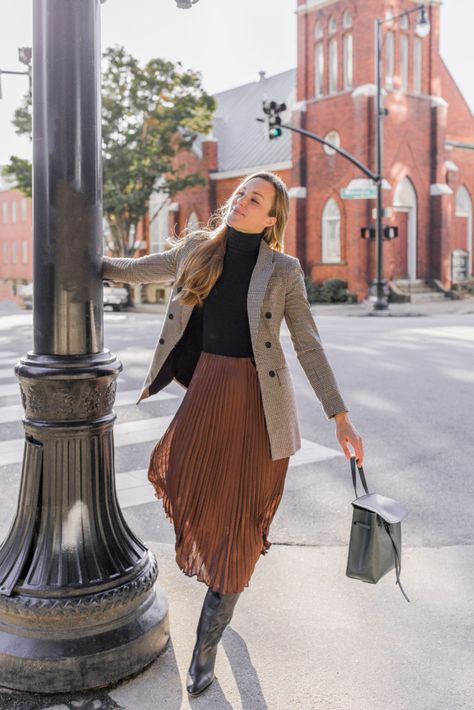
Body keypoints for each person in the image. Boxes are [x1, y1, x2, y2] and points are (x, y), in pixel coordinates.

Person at [102, 171, 364, 697]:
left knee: (240, 526)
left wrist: (339, 417)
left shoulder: (284, 270)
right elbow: (136, 270)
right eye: (241, 193)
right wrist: (89, 265)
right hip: (208, 393)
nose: (242, 201)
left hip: (259, 405)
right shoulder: (199, 248)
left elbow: (308, 345)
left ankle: (205, 647)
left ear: (272, 218)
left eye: (256, 198)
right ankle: (222, 580)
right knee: (178, 477)